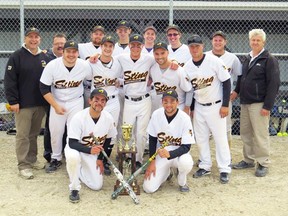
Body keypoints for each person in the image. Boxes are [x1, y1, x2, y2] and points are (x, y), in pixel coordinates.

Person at [231, 29, 280, 177]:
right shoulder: (247, 58)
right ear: (249, 41)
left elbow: (274, 84)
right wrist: (236, 92)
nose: (255, 42)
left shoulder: (269, 59)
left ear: (263, 42)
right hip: (245, 102)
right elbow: (241, 78)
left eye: (258, 40)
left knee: (260, 134)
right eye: (253, 40)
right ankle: (249, 159)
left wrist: (267, 106)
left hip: (259, 104)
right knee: (246, 133)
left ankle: (263, 162)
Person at [184, 35, 231, 184]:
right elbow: (189, 90)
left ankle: (224, 168)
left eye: (197, 46)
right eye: (192, 46)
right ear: (189, 48)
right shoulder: (187, 66)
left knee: (220, 138)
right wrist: (190, 108)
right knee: (201, 138)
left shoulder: (215, 61)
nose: (194, 49)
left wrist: (225, 105)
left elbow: (227, 82)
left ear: (202, 46)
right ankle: (205, 165)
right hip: (199, 106)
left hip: (216, 106)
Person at [40, 40, 92, 173]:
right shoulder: (52, 65)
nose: (71, 54)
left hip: (76, 101)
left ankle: (74, 158)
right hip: (57, 101)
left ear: (78, 53)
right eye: (68, 51)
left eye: (74, 51)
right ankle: (56, 158)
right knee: (56, 132)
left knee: (75, 131)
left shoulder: (84, 65)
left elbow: (91, 81)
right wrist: (56, 106)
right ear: (62, 52)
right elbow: (44, 88)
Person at [4, 27, 49, 179]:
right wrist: (13, 101)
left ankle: (32, 159)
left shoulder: (44, 57)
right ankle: (23, 165)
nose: (33, 39)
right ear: (25, 39)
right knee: (22, 135)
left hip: (39, 103)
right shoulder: (17, 56)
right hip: (22, 105)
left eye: (36, 37)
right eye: (30, 37)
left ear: (40, 39)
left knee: (34, 134)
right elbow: (10, 80)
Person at [65, 88, 117, 203]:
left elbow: (108, 140)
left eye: (103, 100)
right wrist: (89, 151)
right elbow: (72, 143)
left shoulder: (108, 118)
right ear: (90, 101)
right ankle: (74, 188)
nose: (99, 103)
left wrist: (100, 159)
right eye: (96, 99)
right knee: (73, 158)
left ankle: (77, 170)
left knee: (96, 185)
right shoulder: (79, 117)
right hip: (76, 148)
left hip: (91, 151)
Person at [143, 89, 194, 193]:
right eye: (165, 101)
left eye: (172, 101)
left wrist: (170, 154)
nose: (168, 104)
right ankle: (166, 173)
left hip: (179, 154)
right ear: (162, 102)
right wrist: (152, 162)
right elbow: (152, 140)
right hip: (162, 154)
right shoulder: (156, 114)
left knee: (186, 162)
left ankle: (182, 181)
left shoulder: (185, 118)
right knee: (148, 188)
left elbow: (186, 147)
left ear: (177, 102)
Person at [89, 35, 122, 175]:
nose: (108, 48)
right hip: (96, 102)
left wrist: (119, 81)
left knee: (111, 132)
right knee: (94, 130)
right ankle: (94, 157)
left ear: (114, 48)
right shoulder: (91, 62)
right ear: (100, 47)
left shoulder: (118, 62)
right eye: (105, 46)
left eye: (110, 46)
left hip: (112, 100)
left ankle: (105, 159)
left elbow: (124, 77)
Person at [206, 31, 242, 149]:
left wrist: (236, 91)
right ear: (212, 41)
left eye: (220, 40)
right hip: (207, 97)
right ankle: (204, 157)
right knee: (206, 129)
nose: (217, 42)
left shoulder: (232, 58)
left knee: (226, 127)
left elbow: (240, 75)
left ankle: (227, 156)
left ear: (225, 42)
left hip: (225, 98)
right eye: (215, 40)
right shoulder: (205, 56)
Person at [43, 33, 67, 163]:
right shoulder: (46, 56)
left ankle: (64, 150)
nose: (59, 46)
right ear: (53, 44)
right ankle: (49, 152)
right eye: (57, 43)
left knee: (66, 126)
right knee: (50, 126)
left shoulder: (71, 56)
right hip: (49, 96)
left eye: (62, 43)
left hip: (65, 96)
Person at [150, 42, 192, 113]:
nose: (160, 57)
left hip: (178, 109)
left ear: (168, 52)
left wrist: (187, 108)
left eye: (162, 53)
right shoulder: (153, 69)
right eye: (156, 54)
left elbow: (189, 90)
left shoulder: (179, 70)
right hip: (161, 110)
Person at [78, 25, 106, 108]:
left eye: (101, 34)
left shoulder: (106, 49)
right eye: (96, 33)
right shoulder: (82, 47)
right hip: (87, 86)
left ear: (104, 36)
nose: (98, 36)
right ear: (91, 35)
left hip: (101, 85)